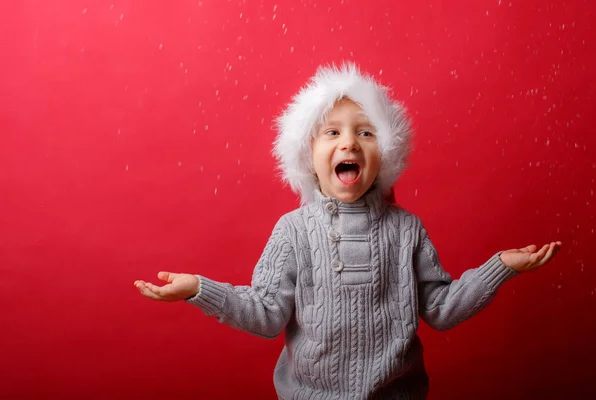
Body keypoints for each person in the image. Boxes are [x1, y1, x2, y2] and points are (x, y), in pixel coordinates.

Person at [134, 62, 562, 399]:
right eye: (332, 133)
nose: (349, 144)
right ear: (308, 155)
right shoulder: (293, 233)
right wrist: (198, 289)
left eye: (365, 132)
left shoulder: (406, 230)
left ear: (386, 153)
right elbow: (265, 314)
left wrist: (500, 267)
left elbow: (441, 309)